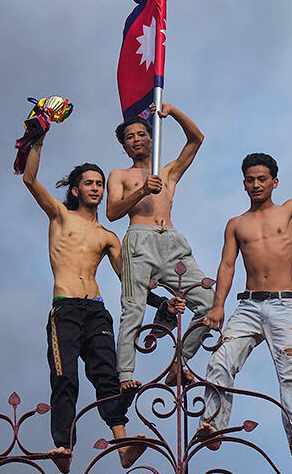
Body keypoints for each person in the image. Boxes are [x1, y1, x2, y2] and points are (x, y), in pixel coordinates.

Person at [196, 135, 292, 458]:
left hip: (282, 304)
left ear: (275, 182)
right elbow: (227, 264)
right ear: (244, 184)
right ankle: (212, 425)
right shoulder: (237, 224)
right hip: (247, 305)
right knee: (220, 360)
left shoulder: (289, 211)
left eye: (262, 179)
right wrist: (219, 305)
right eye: (250, 180)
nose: (256, 184)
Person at [21, 132, 146, 471]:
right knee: (65, 377)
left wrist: (162, 302)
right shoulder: (60, 216)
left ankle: (122, 444)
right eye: (89, 183)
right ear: (76, 190)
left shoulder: (107, 236)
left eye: (100, 184)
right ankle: (63, 447)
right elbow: (30, 179)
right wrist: (40, 139)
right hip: (65, 310)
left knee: (106, 375)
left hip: (96, 310)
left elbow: (129, 281)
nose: (96, 188)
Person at [107, 103, 214, 390]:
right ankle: (126, 376)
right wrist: (142, 190)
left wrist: (173, 111)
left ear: (152, 139)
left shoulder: (167, 173)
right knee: (133, 309)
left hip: (171, 240)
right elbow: (112, 212)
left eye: (142, 134)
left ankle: (180, 361)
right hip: (139, 238)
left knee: (209, 303)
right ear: (124, 146)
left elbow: (196, 139)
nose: (137, 139)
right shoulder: (119, 175)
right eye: (130, 137)